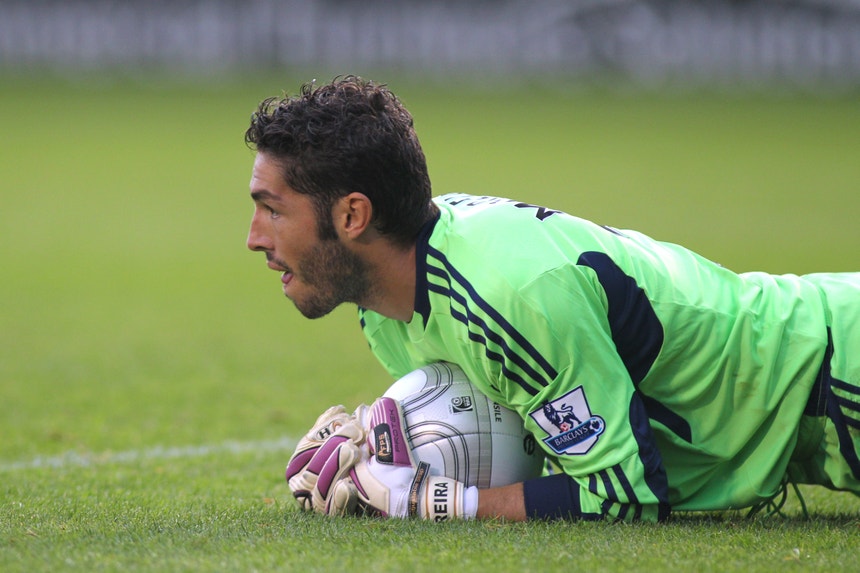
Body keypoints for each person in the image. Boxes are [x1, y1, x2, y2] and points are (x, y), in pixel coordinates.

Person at [244, 75, 860, 522]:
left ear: (354, 214)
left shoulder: (509, 295)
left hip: (832, 369)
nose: (253, 239)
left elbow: (624, 497)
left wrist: (429, 502)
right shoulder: (384, 311)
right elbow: (516, 431)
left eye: (272, 211)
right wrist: (385, 448)